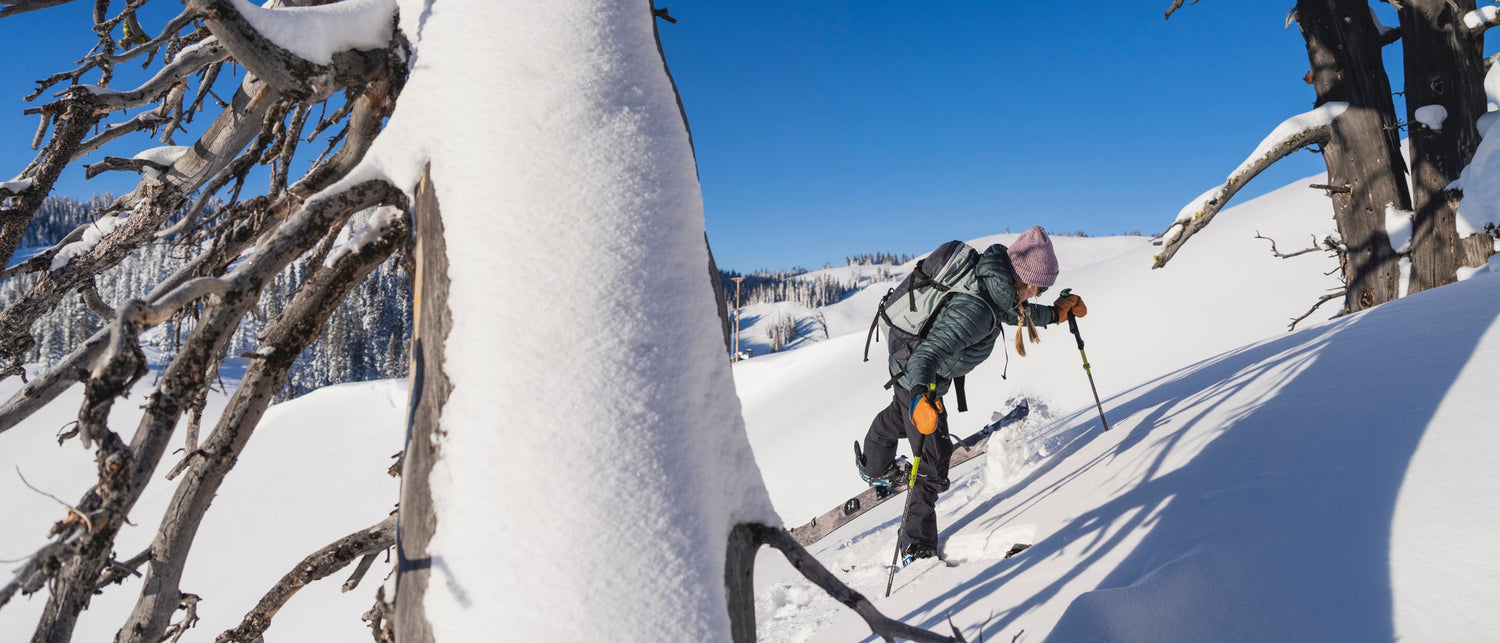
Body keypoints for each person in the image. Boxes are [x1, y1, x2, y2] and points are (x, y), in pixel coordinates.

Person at [855, 226, 1087, 563]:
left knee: (898, 416)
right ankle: (915, 544)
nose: (1040, 294)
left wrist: (1055, 313)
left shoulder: (997, 286)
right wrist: (921, 394)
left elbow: (1017, 314)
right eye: (1041, 287)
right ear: (1026, 278)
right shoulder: (977, 309)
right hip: (917, 373)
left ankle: (873, 467)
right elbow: (926, 356)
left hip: (911, 365)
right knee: (933, 462)